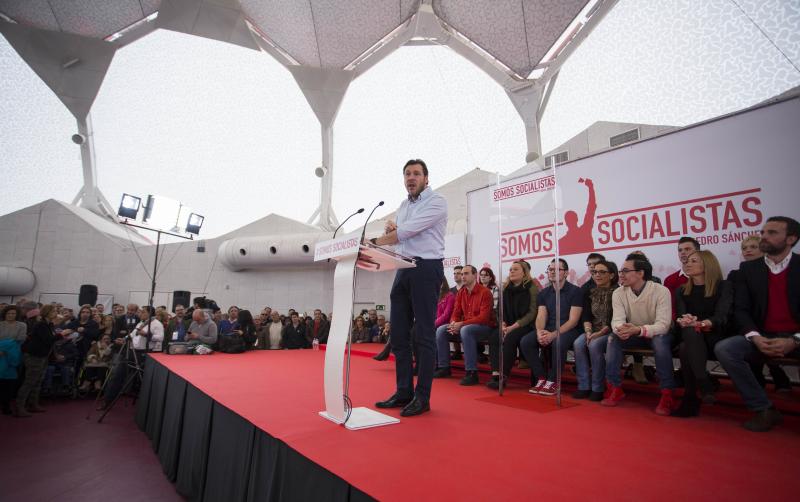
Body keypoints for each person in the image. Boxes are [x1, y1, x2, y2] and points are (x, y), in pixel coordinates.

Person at [371, 159, 447, 417]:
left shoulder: (437, 202)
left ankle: (422, 396)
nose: (411, 178)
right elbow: (399, 242)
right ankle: (404, 391)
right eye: (407, 174)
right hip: (402, 268)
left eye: (416, 173)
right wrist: (392, 233)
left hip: (426, 269)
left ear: (426, 177)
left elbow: (407, 232)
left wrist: (376, 240)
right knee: (400, 336)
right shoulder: (403, 206)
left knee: (425, 335)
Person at [714, 216, 800, 432]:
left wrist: (795, 340)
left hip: (796, 336)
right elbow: (741, 310)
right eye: (763, 232)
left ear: (791, 238)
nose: (764, 237)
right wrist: (755, 336)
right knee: (725, 349)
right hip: (763, 335)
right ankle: (763, 408)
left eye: (772, 233)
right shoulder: (749, 269)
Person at [602, 257, 674, 414]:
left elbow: (663, 325)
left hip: (657, 334)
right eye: (621, 271)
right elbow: (617, 320)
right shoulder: (619, 293)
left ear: (641, 273)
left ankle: (667, 394)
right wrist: (622, 329)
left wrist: (638, 330)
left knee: (660, 343)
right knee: (613, 338)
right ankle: (614, 387)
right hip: (634, 333)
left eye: (626, 271)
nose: (621, 275)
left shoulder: (661, 291)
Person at [672, 250, 733, 417]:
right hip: (691, 334)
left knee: (686, 348)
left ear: (707, 264)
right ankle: (702, 383)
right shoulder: (681, 290)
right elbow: (680, 316)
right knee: (688, 337)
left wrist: (703, 323)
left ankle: (691, 395)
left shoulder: (723, 286)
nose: (687, 263)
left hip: (715, 335)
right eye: (686, 261)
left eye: (693, 261)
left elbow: (722, 316)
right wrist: (684, 320)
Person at [727, 235, 791, 391]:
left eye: (753, 247)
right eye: (744, 248)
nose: (748, 250)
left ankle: (774, 374)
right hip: (744, 322)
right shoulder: (735, 274)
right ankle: (757, 379)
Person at [520, 259, 583, 396]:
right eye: (550, 269)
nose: (552, 272)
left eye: (557, 269)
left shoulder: (576, 291)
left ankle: (553, 380)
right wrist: (539, 332)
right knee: (526, 341)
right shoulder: (544, 293)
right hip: (549, 328)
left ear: (565, 273)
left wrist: (553, 335)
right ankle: (541, 377)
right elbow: (541, 315)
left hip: (569, 329)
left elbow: (573, 320)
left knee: (557, 342)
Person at [434, 265, 495, 385]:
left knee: (466, 330)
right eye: (462, 274)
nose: (463, 276)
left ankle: (471, 372)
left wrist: (461, 324)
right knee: (441, 330)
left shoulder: (485, 292)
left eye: (466, 273)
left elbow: (484, 318)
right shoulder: (461, 292)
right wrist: (453, 324)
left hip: (485, 327)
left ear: (475, 275)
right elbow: (456, 312)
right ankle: (444, 367)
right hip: (466, 327)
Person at [487, 260, 539, 389]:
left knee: (510, 338)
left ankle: (503, 377)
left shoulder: (531, 287)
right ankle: (495, 373)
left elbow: (532, 313)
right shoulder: (505, 288)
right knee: (494, 336)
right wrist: (503, 324)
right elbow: (500, 310)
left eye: (515, 269)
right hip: (508, 324)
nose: (511, 271)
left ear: (524, 272)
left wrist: (513, 326)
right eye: (510, 269)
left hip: (526, 325)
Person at [573, 260, 618, 400]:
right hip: (591, 329)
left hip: (611, 330)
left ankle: (598, 387)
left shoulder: (618, 292)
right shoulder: (589, 291)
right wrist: (588, 331)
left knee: (594, 345)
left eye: (602, 272)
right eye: (594, 272)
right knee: (578, 343)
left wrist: (599, 334)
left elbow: (616, 318)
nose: (597, 275)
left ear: (611, 275)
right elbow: (585, 315)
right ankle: (583, 385)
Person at [15, 304, 58, 417]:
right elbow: (48, 340)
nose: (56, 312)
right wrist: (62, 335)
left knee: (38, 381)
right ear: (48, 312)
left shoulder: (49, 324)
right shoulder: (41, 325)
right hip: (34, 356)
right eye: (54, 311)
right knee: (30, 381)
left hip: (43, 356)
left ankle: (32, 404)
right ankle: (19, 407)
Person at [664, 237, 701, 316]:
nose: (683, 252)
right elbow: (669, 308)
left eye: (687, 249)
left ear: (698, 252)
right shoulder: (670, 280)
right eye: (680, 250)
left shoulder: (709, 276)